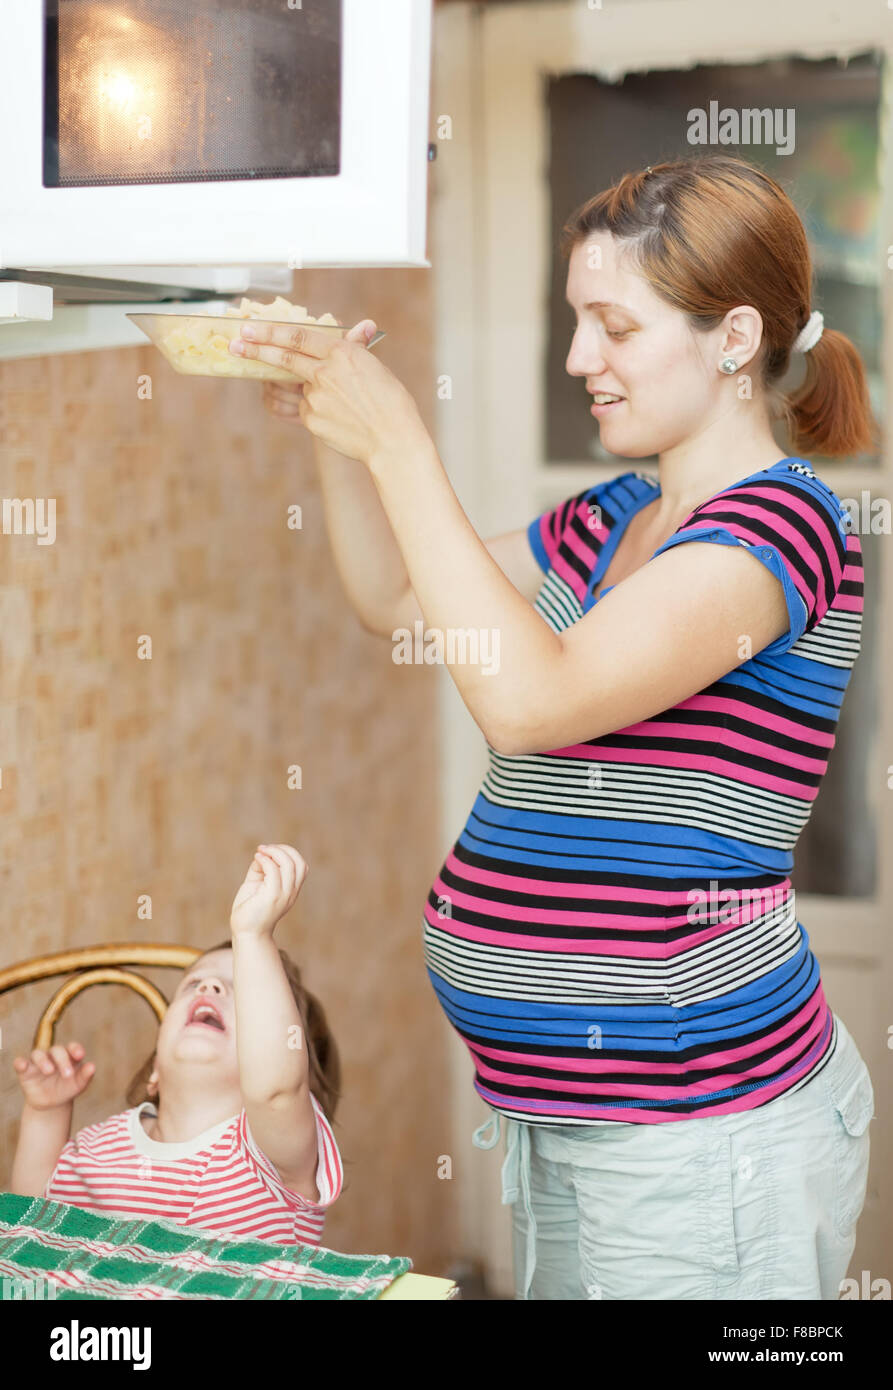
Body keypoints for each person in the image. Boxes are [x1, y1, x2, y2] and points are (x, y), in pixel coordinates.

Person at [242, 154, 876, 1300]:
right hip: (568, 1115)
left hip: (701, 1132)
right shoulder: (615, 513)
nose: (578, 358)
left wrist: (400, 443)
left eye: (612, 327)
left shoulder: (783, 530)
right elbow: (399, 604)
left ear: (732, 337)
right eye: (574, 321)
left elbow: (528, 699)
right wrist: (342, 450)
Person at [11, 843, 342, 1246]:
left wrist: (252, 935)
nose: (210, 985)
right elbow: (31, 1233)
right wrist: (46, 1114)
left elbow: (275, 1089)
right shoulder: (98, 1150)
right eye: (193, 983)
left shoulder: (272, 1157)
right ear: (153, 1070)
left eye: (241, 993)